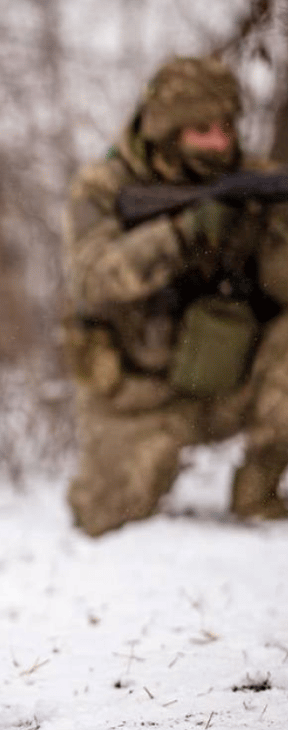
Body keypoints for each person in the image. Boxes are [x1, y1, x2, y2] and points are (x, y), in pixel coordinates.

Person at [61, 56, 288, 537]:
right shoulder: (106, 187)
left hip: (232, 383)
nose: (220, 142)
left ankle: (258, 488)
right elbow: (93, 279)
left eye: (226, 127)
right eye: (202, 129)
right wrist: (186, 233)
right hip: (138, 395)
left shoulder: (256, 181)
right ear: (166, 131)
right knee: (100, 517)